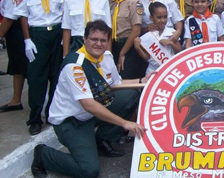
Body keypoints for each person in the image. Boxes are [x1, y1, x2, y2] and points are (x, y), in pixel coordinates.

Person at [31, 20, 148, 178]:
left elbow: (116, 83)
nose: (98, 44)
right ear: (84, 39)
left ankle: (102, 139)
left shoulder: (106, 56)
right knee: (89, 171)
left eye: (103, 40)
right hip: (71, 122)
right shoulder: (75, 66)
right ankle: (44, 154)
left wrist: (142, 81)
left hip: (90, 116)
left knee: (131, 94)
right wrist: (125, 123)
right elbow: (88, 105)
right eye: (94, 39)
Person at [14, 0, 70, 135]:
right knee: (37, 79)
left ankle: (52, 113)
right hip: (37, 34)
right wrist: (27, 40)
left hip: (56, 33)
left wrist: (65, 36)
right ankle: (35, 118)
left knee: (56, 77)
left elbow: (64, 10)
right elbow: (22, 14)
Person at [0, 0, 33, 112]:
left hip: (18, 30)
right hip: (28, 29)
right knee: (17, 67)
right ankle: (15, 99)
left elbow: (10, 15)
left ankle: (30, 101)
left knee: (24, 67)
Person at [108, 0, 145, 79]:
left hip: (128, 46)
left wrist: (122, 53)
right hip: (114, 45)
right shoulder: (112, 4)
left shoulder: (134, 2)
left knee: (127, 77)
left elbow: (136, 30)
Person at [135, 2, 182, 76]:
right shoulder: (148, 36)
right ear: (151, 17)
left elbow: (179, 51)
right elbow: (148, 58)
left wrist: (171, 43)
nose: (163, 20)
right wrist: (138, 48)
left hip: (170, 70)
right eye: (159, 17)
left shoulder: (172, 32)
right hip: (153, 71)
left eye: (165, 17)